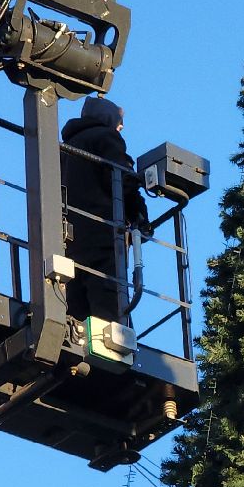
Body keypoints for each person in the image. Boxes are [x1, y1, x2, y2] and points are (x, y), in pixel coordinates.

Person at [59, 94, 148, 323]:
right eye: (119, 121)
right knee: (108, 308)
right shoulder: (106, 137)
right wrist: (140, 216)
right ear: (107, 118)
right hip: (102, 233)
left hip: (70, 239)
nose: (122, 126)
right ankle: (110, 346)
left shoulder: (63, 150)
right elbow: (121, 179)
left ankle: (78, 336)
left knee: (75, 304)